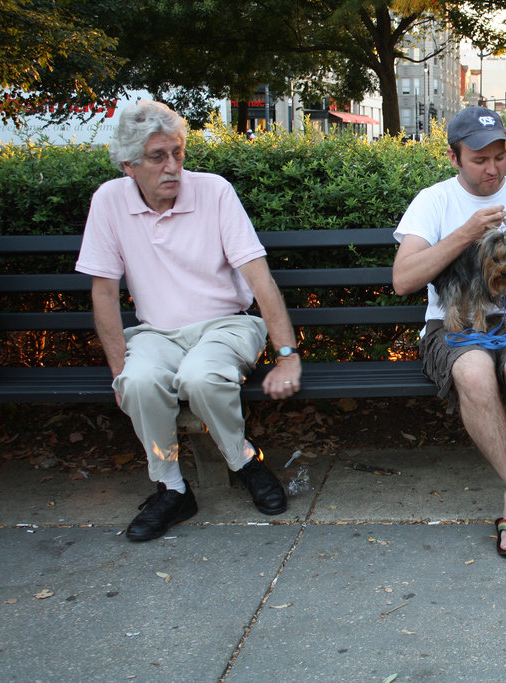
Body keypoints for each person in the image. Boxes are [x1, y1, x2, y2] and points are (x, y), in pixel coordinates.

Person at [76, 100, 300, 542]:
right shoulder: (109, 201)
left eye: (178, 152)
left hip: (225, 325)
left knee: (202, 378)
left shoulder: (214, 191)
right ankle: (172, 488)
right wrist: (119, 373)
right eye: (158, 157)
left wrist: (287, 354)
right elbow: (103, 293)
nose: (173, 167)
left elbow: (258, 276)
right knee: (138, 382)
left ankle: (243, 460)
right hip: (156, 332)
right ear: (129, 165)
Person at [392, 106, 506, 557]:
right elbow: (403, 280)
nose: (492, 168)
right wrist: (463, 235)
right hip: (451, 320)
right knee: (475, 372)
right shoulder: (432, 201)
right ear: (453, 157)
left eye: (499, 156)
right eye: (479, 159)